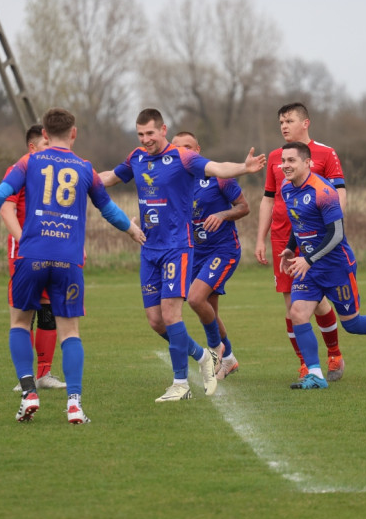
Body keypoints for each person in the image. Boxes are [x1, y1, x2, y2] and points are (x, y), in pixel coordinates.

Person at [0, 108, 145, 423]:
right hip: (69, 259)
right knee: (70, 331)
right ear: (74, 133)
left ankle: (29, 393)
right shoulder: (85, 168)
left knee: (21, 323)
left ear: (45, 136)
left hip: (31, 255)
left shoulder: (29, 161)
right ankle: (74, 404)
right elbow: (108, 209)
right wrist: (132, 231)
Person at [100, 108, 266, 402]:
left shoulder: (181, 157)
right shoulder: (136, 157)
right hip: (149, 248)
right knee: (156, 321)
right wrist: (81, 178)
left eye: (150, 133)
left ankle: (181, 383)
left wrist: (244, 167)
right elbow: (111, 177)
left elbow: (218, 168)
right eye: (140, 134)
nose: (145, 139)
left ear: (163, 130)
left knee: (175, 311)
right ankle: (203, 355)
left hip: (178, 247)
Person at [277, 142, 366, 389]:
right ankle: (316, 375)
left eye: (291, 160)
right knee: (297, 313)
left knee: (352, 324)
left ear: (308, 163)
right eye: (283, 160)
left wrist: (308, 258)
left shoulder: (323, 190)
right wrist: (290, 247)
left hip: (336, 266)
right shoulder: (286, 189)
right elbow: (299, 223)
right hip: (309, 267)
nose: (285, 165)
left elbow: (336, 234)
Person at [255, 102, 347, 382]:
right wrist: (260, 237)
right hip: (284, 239)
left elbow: (339, 193)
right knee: (291, 305)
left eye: (289, 120)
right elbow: (269, 199)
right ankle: (306, 364)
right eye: (281, 121)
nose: (284, 126)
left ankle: (334, 355)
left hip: (317, 239)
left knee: (318, 304)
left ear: (306, 123)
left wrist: (336, 228)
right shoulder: (274, 157)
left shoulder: (325, 153)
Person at [171, 131, 249, 379]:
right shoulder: (174, 181)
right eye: (178, 148)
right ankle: (229, 359)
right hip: (195, 253)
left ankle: (216, 354)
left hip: (223, 250)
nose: (183, 152)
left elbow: (243, 207)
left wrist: (222, 215)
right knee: (209, 310)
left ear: (198, 149)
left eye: (188, 147)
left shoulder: (218, 177)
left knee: (195, 299)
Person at [1, 124, 66, 392]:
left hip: (53, 252)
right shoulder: (20, 170)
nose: (52, 151)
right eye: (46, 145)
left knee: (49, 312)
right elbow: (6, 209)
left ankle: (44, 374)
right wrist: (25, 243)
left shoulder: (55, 174)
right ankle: (25, 377)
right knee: (24, 314)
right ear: (32, 147)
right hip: (25, 254)